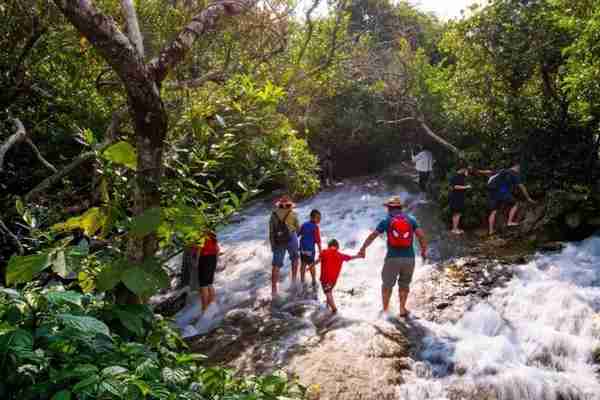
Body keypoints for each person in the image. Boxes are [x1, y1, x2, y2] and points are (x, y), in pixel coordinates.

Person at [358, 196, 428, 318]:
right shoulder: (411, 219)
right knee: (404, 284)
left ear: (389, 208)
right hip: (409, 259)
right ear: (401, 208)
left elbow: (373, 236)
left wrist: (363, 248)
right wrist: (423, 251)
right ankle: (402, 309)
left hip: (392, 258)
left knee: (387, 285)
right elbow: (421, 236)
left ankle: (385, 311)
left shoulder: (386, 220)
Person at [484, 163, 536, 236]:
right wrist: (528, 198)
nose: (519, 171)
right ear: (517, 167)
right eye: (519, 169)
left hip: (491, 192)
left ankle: (491, 231)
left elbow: (489, 172)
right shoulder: (514, 173)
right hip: (501, 190)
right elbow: (522, 187)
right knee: (515, 204)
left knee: (493, 211)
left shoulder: (502, 170)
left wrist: (477, 171)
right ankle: (510, 222)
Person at [314, 239, 362, 314]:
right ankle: (328, 305)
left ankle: (334, 309)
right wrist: (359, 256)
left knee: (327, 292)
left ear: (329, 245)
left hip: (325, 279)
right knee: (329, 291)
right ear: (337, 246)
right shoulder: (340, 255)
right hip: (333, 280)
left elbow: (317, 261)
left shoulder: (324, 252)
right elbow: (350, 257)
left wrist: (310, 267)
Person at [269, 195, 300, 297]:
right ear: (289, 205)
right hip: (291, 237)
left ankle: (274, 290)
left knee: (276, 265)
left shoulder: (273, 215)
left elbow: (271, 232)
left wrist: (273, 246)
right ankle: (294, 282)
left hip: (278, 240)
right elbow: (298, 228)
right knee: (295, 259)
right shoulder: (293, 213)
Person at [194, 232, 220, 314]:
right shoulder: (213, 236)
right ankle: (211, 306)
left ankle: (204, 309)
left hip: (204, 259)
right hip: (213, 259)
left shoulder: (203, 235)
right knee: (209, 283)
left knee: (203, 285)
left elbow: (199, 249)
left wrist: (197, 262)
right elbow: (217, 250)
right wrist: (216, 262)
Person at [298, 209, 322, 290]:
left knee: (303, 264)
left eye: (320, 218)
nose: (319, 220)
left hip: (302, 248)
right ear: (312, 218)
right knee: (311, 265)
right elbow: (318, 241)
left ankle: (302, 281)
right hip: (310, 250)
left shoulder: (304, 224)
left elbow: (298, 234)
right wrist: (320, 251)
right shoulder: (315, 227)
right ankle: (314, 281)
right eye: (318, 218)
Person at [449, 164, 472, 234]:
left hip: (459, 197)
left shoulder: (461, 175)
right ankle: (455, 229)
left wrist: (467, 170)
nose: (466, 171)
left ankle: (455, 228)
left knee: (457, 213)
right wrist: (466, 187)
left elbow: (467, 174)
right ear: (461, 169)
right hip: (456, 197)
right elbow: (455, 187)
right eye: (464, 169)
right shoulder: (455, 177)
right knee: (457, 213)